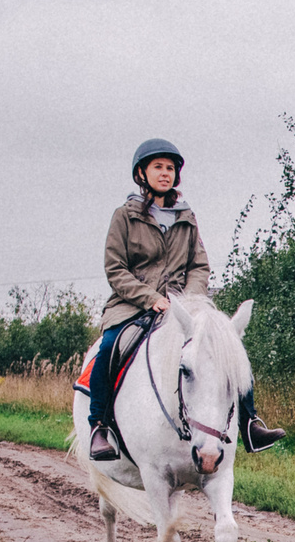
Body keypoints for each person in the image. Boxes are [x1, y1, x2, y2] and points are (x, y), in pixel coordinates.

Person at [87, 138, 284, 463]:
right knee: (109, 349)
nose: (165, 173)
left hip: (182, 306)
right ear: (141, 173)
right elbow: (115, 268)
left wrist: (190, 300)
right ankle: (99, 426)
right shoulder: (124, 216)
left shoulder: (186, 216)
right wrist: (150, 298)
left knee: (228, 345)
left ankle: (250, 423)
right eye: (157, 167)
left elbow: (199, 265)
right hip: (131, 305)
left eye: (170, 168)